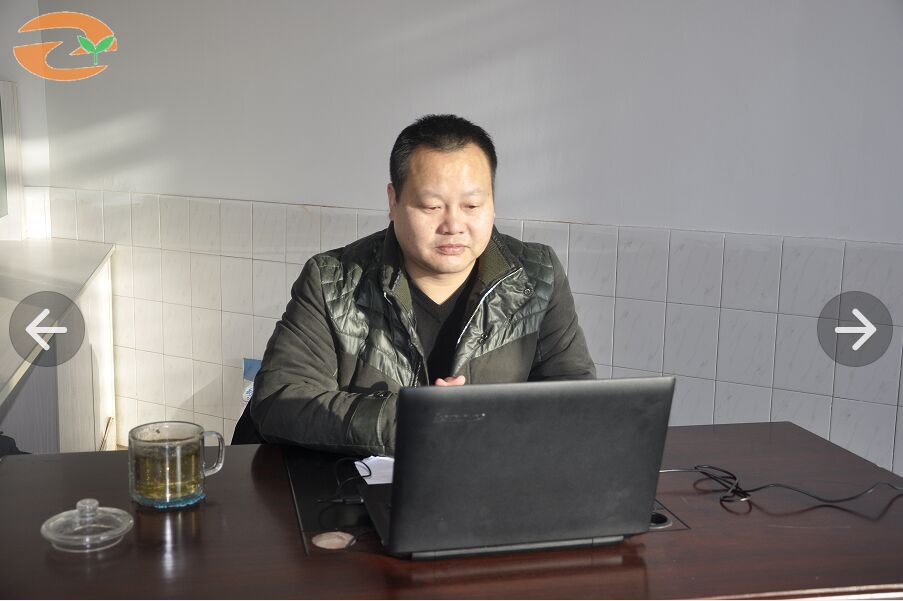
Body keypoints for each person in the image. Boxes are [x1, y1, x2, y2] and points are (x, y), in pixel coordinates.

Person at [247, 114, 595, 455]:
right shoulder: (331, 280)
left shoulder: (537, 276)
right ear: (393, 201)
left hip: (493, 483)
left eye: (472, 205)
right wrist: (412, 420)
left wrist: (484, 421)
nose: (453, 225)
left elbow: (576, 400)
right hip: (359, 488)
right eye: (431, 206)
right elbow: (280, 399)